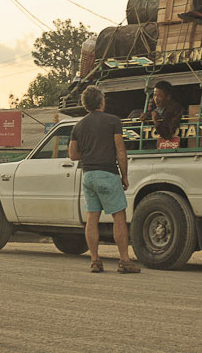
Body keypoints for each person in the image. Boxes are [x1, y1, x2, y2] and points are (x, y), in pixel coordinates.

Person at [68, 86, 140, 274]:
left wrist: (90, 152)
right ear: (102, 102)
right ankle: (124, 261)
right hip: (107, 174)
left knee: (92, 217)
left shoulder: (78, 126)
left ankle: (95, 261)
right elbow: (121, 152)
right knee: (119, 216)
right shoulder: (113, 121)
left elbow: (73, 155)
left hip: (88, 175)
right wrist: (124, 176)